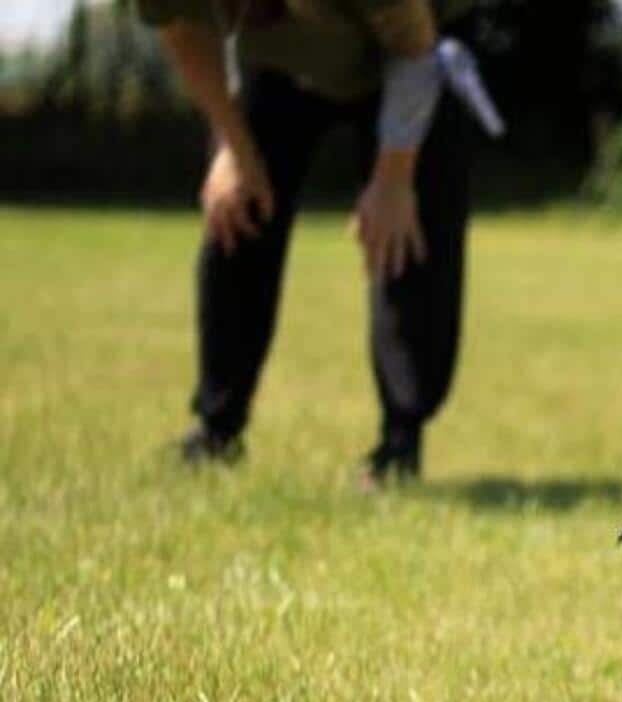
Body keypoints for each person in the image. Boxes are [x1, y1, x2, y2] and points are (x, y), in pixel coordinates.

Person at [140, 0, 482, 484]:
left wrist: (393, 178)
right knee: (235, 207)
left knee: (407, 232)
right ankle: (217, 427)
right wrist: (231, 146)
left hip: (415, 49)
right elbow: (181, 29)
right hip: (281, 58)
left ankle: (401, 440)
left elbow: (414, 47)